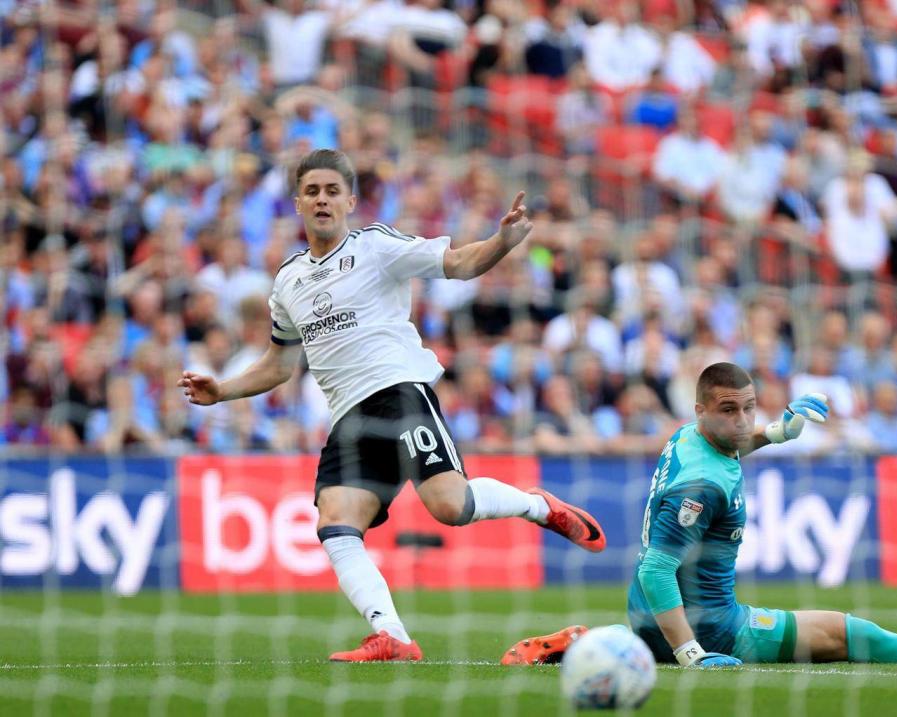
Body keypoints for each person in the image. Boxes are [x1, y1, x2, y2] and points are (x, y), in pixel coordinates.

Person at [177, 149, 606, 663]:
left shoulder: (376, 247)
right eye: (312, 191)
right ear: (296, 203)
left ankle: (540, 506)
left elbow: (459, 264)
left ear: (350, 201)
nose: (322, 199)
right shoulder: (287, 282)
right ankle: (392, 636)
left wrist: (502, 242)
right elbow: (278, 365)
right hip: (347, 417)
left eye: (332, 191)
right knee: (334, 522)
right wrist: (221, 390)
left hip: (398, 391)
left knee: (451, 507)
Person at [503, 362, 897, 667]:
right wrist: (691, 652)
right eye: (729, 410)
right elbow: (656, 569)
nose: (742, 421)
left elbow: (736, 439)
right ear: (701, 408)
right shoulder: (702, 486)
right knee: (862, 638)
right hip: (713, 627)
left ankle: (595, 641)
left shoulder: (690, 435)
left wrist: (780, 431)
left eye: (749, 408)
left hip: (648, 616)